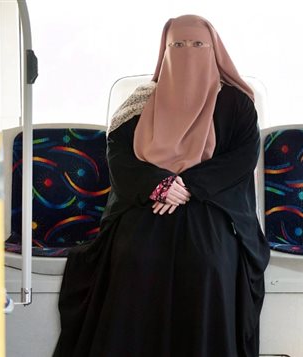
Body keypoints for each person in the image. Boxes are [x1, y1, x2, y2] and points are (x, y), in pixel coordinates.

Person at [53, 14, 270, 357]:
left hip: (210, 206)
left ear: (214, 49)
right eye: (177, 44)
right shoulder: (140, 103)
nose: (188, 51)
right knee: (134, 258)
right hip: (147, 202)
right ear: (164, 50)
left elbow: (242, 158)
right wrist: (160, 184)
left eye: (198, 44)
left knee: (208, 262)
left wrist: (188, 185)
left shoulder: (236, 103)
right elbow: (119, 155)